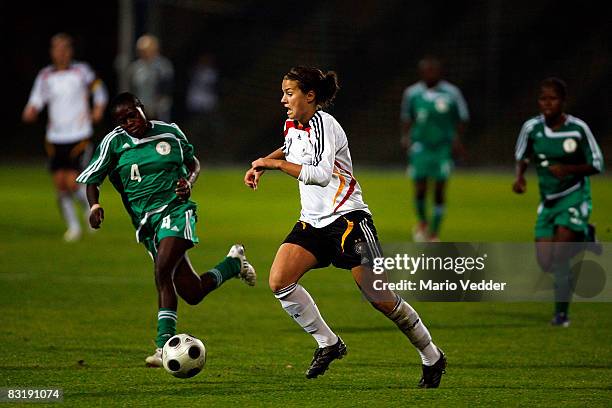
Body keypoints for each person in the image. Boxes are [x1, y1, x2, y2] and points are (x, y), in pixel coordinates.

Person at [244, 67, 446, 388]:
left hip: (349, 221)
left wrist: (275, 165)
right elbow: (291, 148)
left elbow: (321, 174)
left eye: (289, 92)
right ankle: (329, 344)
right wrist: (262, 164)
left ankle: (431, 355)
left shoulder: (326, 125)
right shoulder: (294, 124)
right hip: (312, 223)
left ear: (310, 96)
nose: (283, 99)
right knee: (280, 281)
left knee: (379, 297)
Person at [76, 92, 256, 366]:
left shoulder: (169, 133)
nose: (129, 122)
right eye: (122, 120)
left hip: (176, 210)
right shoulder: (114, 143)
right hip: (147, 225)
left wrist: (188, 181)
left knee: (162, 270)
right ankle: (233, 264)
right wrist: (94, 206)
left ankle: (162, 346)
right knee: (193, 292)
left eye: (132, 115)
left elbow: (192, 163)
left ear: (141, 109)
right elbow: (93, 179)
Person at [513, 78, 604, 327]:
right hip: (548, 201)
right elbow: (523, 155)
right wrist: (520, 178)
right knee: (546, 261)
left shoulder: (578, 129)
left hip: (574, 195)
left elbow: (597, 164)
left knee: (561, 255)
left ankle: (561, 314)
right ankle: (587, 233)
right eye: (543, 99)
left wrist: (569, 169)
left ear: (563, 101)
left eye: (552, 99)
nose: (547, 104)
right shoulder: (532, 128)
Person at [22, 32, 108, 242]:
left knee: (72, 181)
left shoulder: (82, 71)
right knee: (60, 183)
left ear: (70, 51)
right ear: (52, 52)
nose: (60, 53)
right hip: (55, 136)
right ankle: (74, 227)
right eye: (56, 48)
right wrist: (31, 110)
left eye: (64, 48)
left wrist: (98, 107)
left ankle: (91, 213)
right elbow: (36, 99)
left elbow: (99, 90)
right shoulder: (45, 76)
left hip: (79, 134)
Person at [400, 56, 469, 242]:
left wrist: (456, 140)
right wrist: (406, 139)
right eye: (426, 70)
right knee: (420, 188)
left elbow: (462, 117)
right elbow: (407, 118)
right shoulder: (412, 93)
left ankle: (434, 233)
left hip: (442, 148)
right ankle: (422, 222)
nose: (430, 73)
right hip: (420, 147)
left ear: (440, 72)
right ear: (421, 73)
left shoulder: (452, 93)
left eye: (433, 70)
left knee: (439, 190)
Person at [126, 34, 174, 122]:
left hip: (159, 111)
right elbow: (132, 89)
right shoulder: (135, 67)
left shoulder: (164, 66)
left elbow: (167, 89)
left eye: (145, 50)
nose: (143, 53)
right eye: (140, 51)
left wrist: (156, 107)